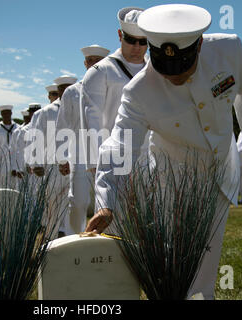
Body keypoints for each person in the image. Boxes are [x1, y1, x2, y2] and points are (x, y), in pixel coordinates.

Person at [85, 4, 242, 300]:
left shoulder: (228, 49)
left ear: (198, 46)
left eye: (182, 68)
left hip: (222, 171)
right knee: (175, 261)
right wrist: (107, 201)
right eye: (165, 69)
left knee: (207, 259)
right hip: (173, 179)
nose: (174, 78)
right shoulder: (138, 91)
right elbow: (119, 146)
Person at [80, 7, 149, 173]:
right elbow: (92, 118)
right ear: (120, 35)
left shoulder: (154, 71)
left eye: (143, 41)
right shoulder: (101, 71)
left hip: (148, 158)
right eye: (131, 40)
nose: (137, 47)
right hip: (114, 160)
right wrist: (95, 163)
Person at [56, 44, 110, 234]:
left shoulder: (112, 85)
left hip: (108, 152)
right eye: (91, 61)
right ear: (85, 63)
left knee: (106, 201)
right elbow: (63, 125)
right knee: (78, 201)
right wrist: (62, 158)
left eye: (98, 61)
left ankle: (105, 242)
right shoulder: (72, 92)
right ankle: (74, 238)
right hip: (78, 153)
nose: (94, 64)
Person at [29, 75, 77, 237]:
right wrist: (36, 163)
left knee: (73, 205)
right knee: (53, 204)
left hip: (74, 165)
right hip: (53, 165)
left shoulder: (79, 108)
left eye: (69, 88)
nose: (66, 92)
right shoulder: (46, 112)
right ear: (57, 91)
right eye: (62, 89)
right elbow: (37, 138)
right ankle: (50, 238)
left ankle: (69, 238)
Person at [0, 105, 18, 187]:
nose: (6, 115)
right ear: (1, 114)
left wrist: (18, 166)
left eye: (8, 113)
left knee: (16, 186)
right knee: (2, 185)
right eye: (4, 113)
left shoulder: (18, 128)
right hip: (1, 163)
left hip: (16, 162)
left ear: (11, 113)